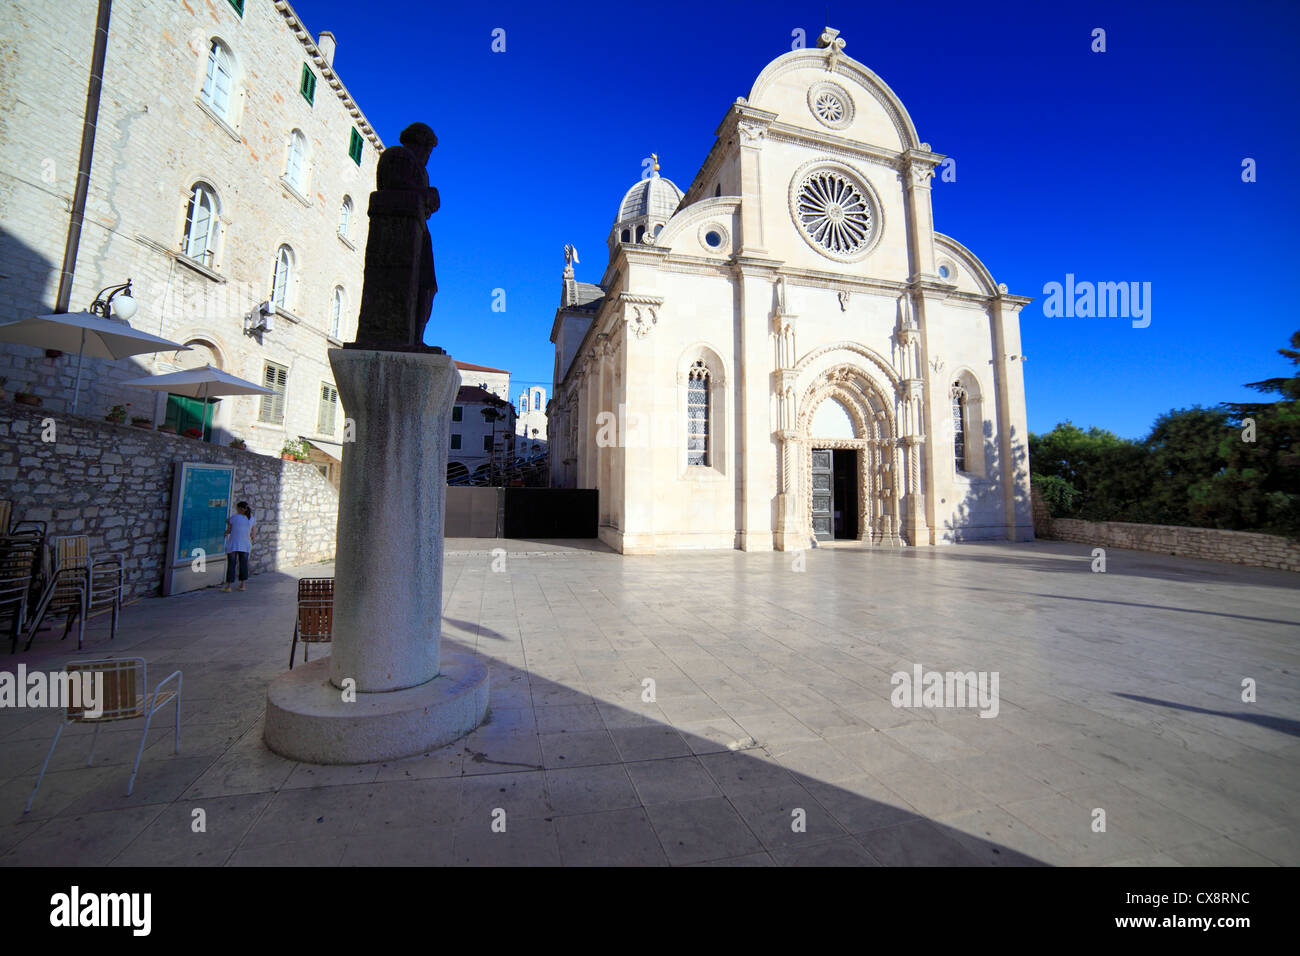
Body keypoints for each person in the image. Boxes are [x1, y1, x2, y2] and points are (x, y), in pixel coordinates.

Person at [221, 501, 256, 592]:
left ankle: (228, 586)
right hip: (245, 545)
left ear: (240, 509)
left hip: (233, 544)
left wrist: (225, 533)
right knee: (243, 565)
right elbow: (253, 533)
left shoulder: (234, 518)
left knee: (231, 565)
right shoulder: (251, 519)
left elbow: (229, 530)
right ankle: (242, 585)